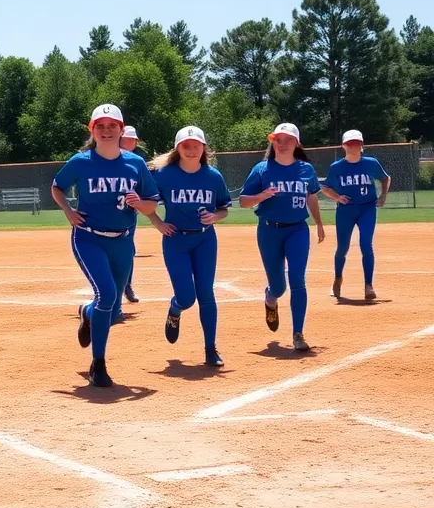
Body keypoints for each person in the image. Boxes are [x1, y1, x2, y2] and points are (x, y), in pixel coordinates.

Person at [51, 105, 159, 388]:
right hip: (88, 237)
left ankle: (87, 313)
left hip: (122, 241)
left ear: (122, 130)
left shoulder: (135, 164)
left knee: (111, 311)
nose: (107, 130)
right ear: (92, 130)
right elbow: (57, 187)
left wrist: (140, 204)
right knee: (107, 294)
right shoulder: (81, 161)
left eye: (113, 126)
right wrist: (68, 211)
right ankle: (98, 365)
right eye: (101, 125)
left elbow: (151, 203)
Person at [145, 126, 232, 366]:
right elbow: (144, 202)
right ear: (177, 148)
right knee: (186, 297)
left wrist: (215, 217)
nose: (192, 150)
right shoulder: (163, 174)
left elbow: (223, 207)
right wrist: (157, 222)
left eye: (196, 145)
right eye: (186, 146)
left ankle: (210, 349)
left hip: (205, 239)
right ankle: (175, 308)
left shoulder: (213, 176)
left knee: (206, 293)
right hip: (176, 241)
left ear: (204, 148)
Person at [238, 123, 325, 351]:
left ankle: (298, 334)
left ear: (297, 143)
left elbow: (312, 197)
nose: (282, 143)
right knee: (279, 287)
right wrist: (262, 195)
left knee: (298, 279)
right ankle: (270, 298)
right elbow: (244, 201)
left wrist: (318, 223)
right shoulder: (262, 169)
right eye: (278, 139)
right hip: (269, 231)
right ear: (272, 142)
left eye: (288, 139)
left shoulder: (306, 169)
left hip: (297, 229)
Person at [322, 129, 391, 300]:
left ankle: (368, 285)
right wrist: (337, 197)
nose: (354, 146)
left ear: (362, 146)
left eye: (357, 143)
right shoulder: (337, 167)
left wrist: (383, 195)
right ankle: (338, 278)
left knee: (366, 244)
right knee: (342, 248)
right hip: (346, 210)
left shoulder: (371, 163)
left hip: (367, 208)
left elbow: (385, 178)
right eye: (350, 143)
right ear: (343, 146)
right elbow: (325, 187)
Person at [115, 125, 146, 315]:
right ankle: (112, 289)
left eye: (135, 140)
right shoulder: (107, 157)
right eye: (131, 139)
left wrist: (141, 202)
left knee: (128, 251)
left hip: (128, 214)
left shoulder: (137, 161)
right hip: (107, 214)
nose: (134, 142)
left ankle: (127, 286)